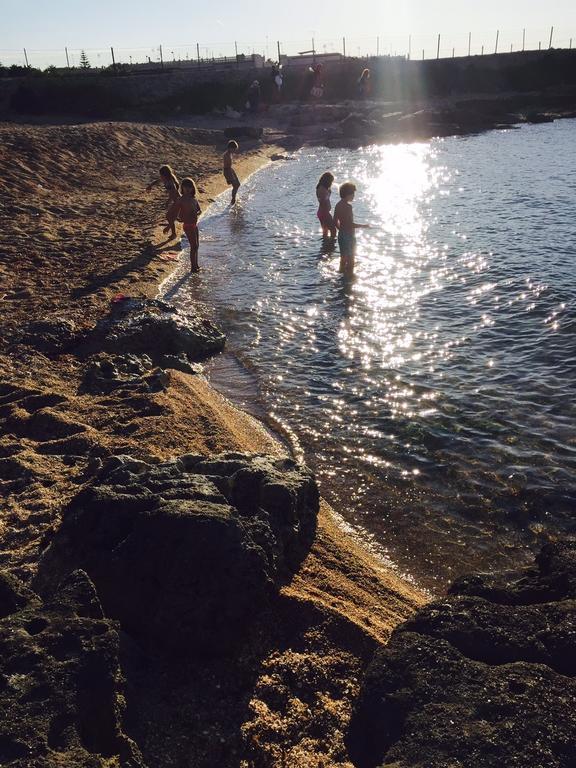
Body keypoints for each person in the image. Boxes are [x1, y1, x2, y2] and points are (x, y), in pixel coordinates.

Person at [333, 182, 371, 274]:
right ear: (348, 194)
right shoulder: (348, 207)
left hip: (341, 235)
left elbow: (335, 220)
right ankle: (350, 277)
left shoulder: (338, 205)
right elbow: (350, 224)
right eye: (353, 193)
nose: (354, 196)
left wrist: (341, 230)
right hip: (349, 235)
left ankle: (341, 272)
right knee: (351, 259)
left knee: (343, 257)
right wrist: (363, 226)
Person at [173, 178, 201, 272]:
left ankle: (196, 265)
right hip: (188, 225)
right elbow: (176, 212)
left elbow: (199, 210)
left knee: (196, 246)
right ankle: (193, 267)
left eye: (190, 187)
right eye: (186, 187)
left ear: (193, 188)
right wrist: (179, 218)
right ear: (182, 188)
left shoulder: (194, 199)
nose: (188, 189)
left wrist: (196, 213)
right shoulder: (181, 199)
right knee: (193, 246)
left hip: (194, 224)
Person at [146, 164, 180, 239]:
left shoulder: (170, 182)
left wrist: (168, 201)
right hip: (175, 201)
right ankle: (173, 233)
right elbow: (157, 181)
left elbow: (174, 192)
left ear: (165, 174)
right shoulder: (165, 179)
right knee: (171, 217)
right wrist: (150, 186)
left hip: (177, 201)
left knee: (170, 216)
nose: (160, 177)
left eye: (161, 175)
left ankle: (172, 232)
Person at [316, 171, 336, 238]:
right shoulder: (322, 189)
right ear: (327, 180)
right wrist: (327, 214)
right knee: (333, 230)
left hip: (322, 212)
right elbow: (323, 202)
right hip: (324, 212)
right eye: (331, 181)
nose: (331, 183)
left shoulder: (323, 188)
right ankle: (331, 246)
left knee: (325, 232)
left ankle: (326, 247)